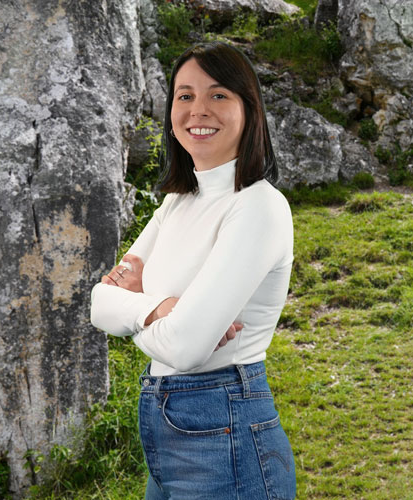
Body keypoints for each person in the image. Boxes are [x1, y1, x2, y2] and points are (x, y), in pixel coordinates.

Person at [91, 41, 296, 500]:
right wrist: (163, 309)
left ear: (250, 109)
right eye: (185, 96)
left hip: (226, 432)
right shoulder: (176, 203)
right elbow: (98, 303)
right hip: (165, 429)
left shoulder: (258, 207)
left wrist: (139, 310)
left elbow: (185, 348)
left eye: (218, 94)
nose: (198, 110)